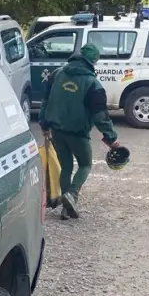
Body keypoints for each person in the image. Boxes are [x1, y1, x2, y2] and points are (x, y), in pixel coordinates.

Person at [38, 43, 120, 219]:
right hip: (78, 133)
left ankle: (66, 209)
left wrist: (44, 124)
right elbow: (100, 116)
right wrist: (111, 137)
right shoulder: (93, 84)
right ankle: (72, 194)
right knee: (85, 164)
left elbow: (45, 100)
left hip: (57, 131)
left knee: (66, 167)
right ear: (93, 61)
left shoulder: (57, 74)